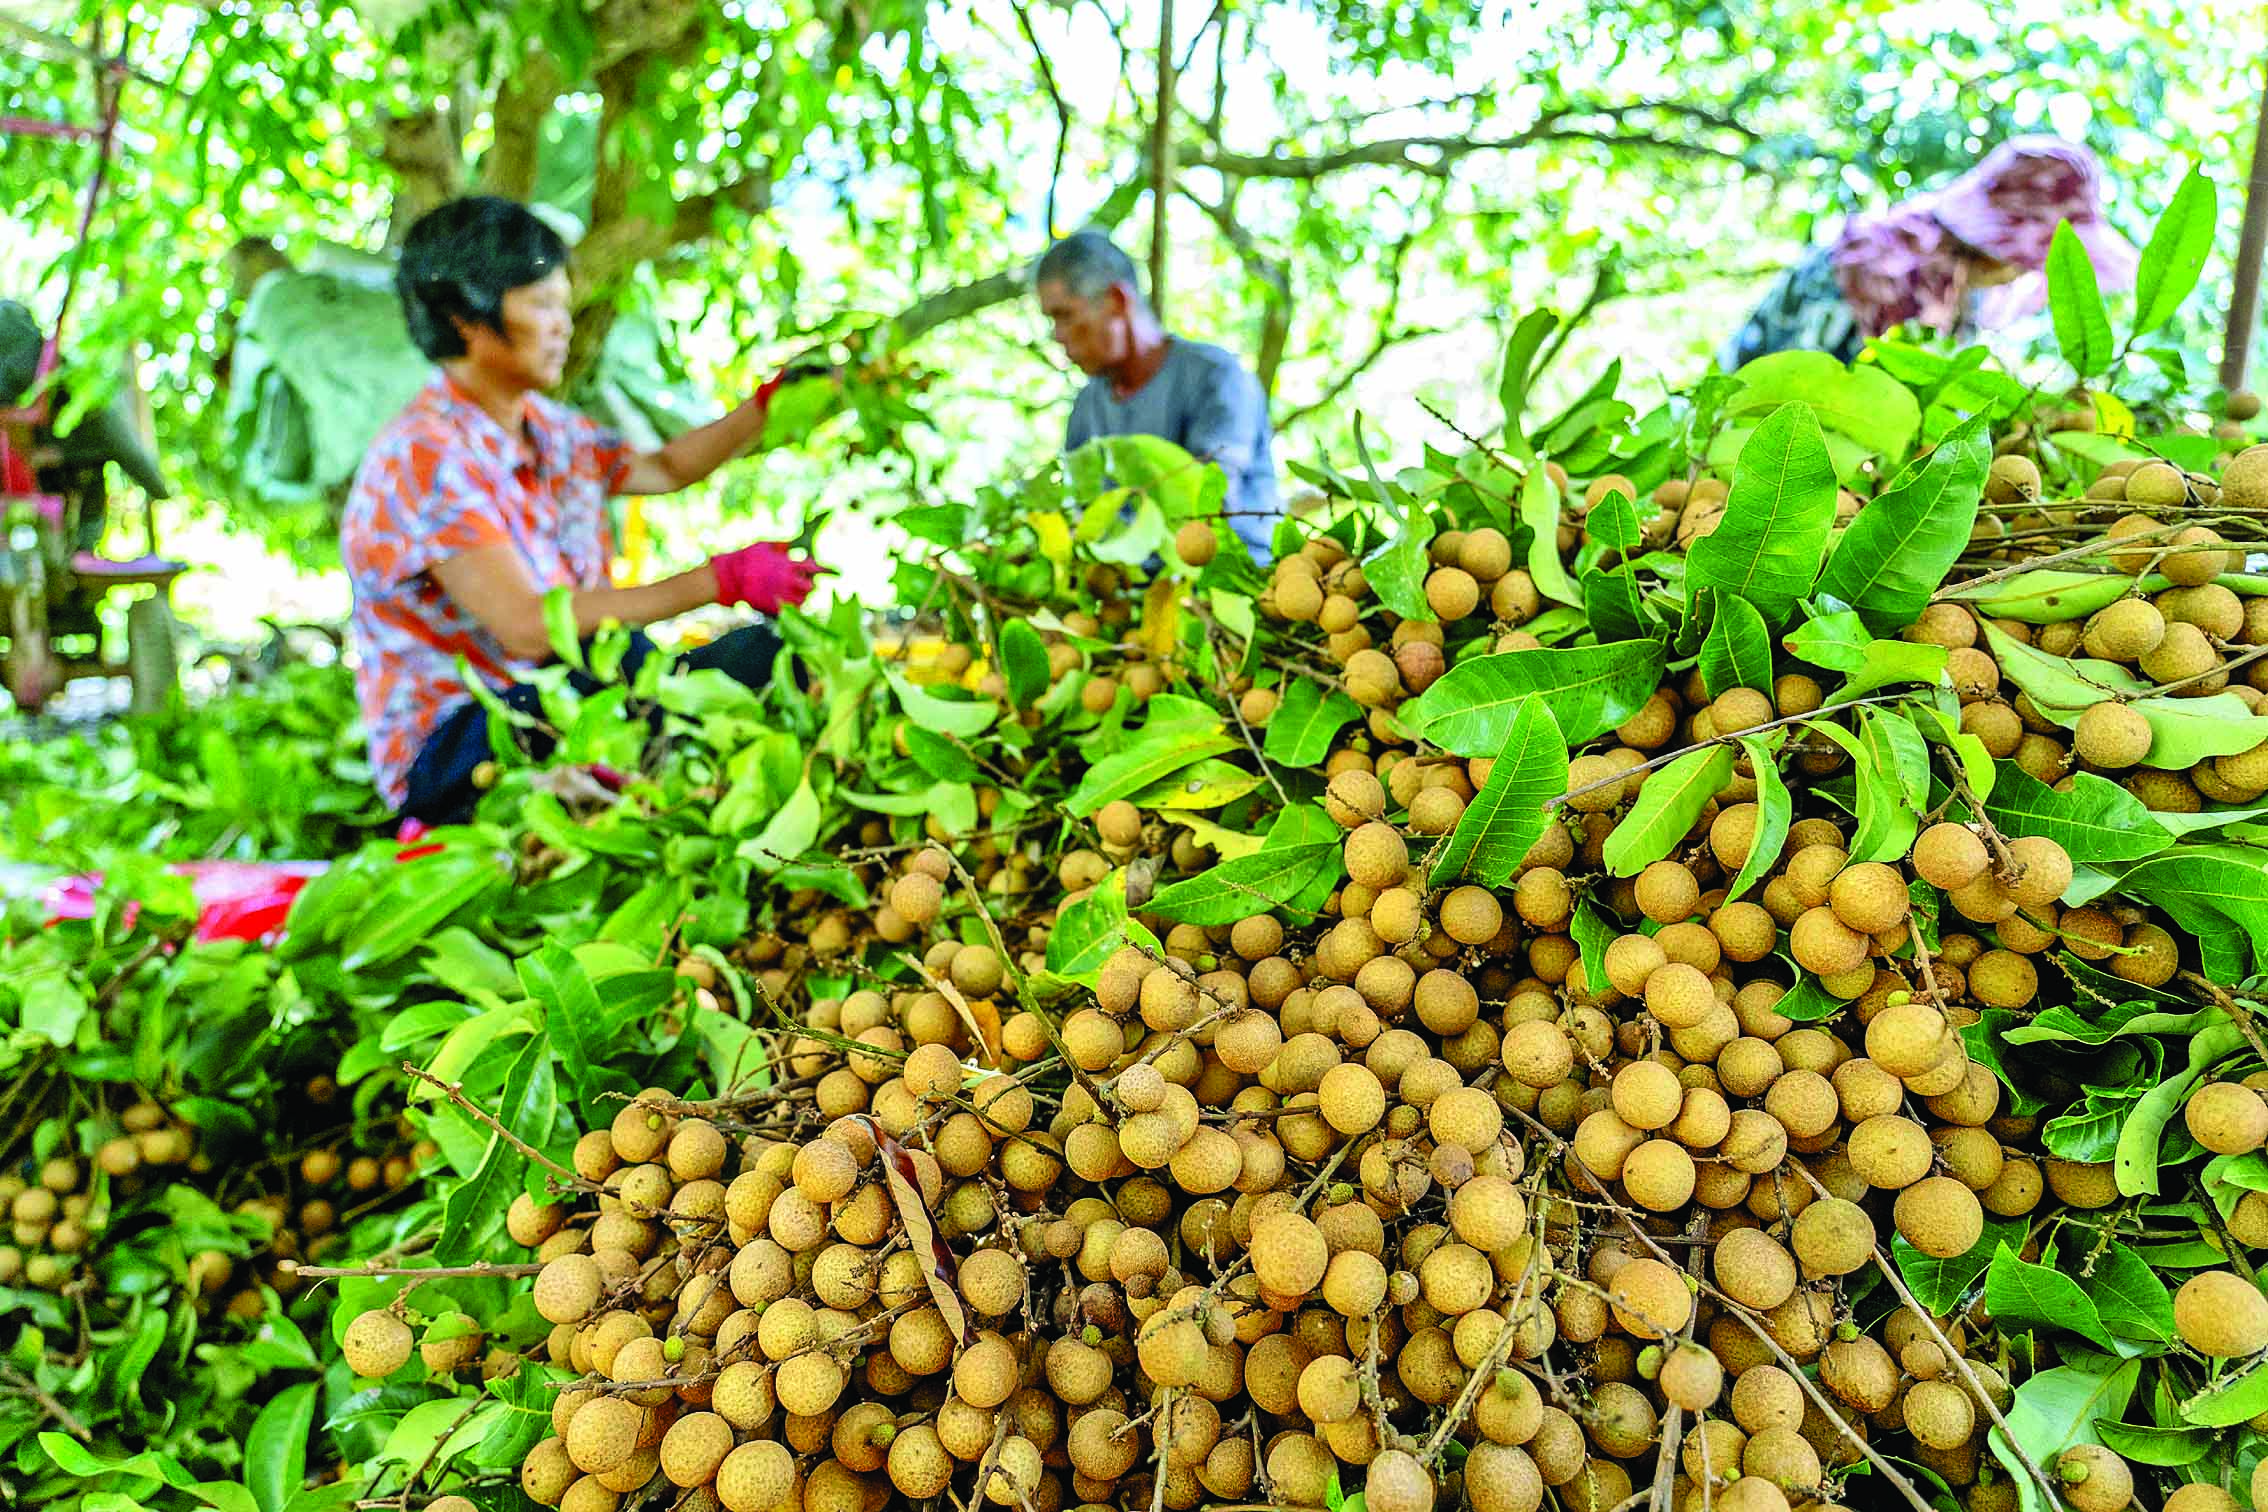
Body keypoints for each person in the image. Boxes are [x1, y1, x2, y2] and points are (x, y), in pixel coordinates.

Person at [342, 196, 822, 825]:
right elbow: (530, 627)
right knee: (647, 672)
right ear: (467, 317)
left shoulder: (547, 430)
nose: (563, 325)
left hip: (562, 691)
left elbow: (664, 468)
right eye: (541, 305)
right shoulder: (424, 457)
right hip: (462, 746)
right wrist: (716, 582)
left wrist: (770, 404)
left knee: (762, 658)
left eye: (562, 305)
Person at [1723, 136, 2138, 370]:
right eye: (2027, 260)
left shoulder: (1961, 292)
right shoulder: (1873, 268)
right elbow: (1786, 395)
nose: (2019, 275)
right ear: (1990, 248)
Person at [1036, 231, 1282, 560]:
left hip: (1231, 583)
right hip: (1132, 596)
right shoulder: (1086, 408)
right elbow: (1080, 515)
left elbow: (1208, 506)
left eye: (1065, 315)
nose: (1057, 336)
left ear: (1117, 301)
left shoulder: (1216, 377)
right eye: (1052, 321)